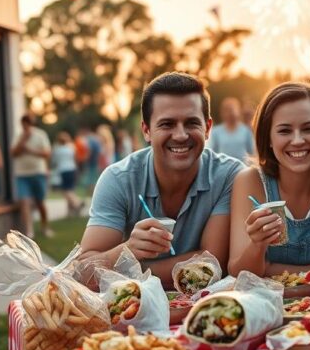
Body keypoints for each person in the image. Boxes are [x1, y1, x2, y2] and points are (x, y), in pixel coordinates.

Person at [79, 72, 244, 288]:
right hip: (134, 311)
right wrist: (127, 250)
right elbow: (82, 273)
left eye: (192, 123)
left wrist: (127, 271)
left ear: (208, 128)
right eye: (167, 124)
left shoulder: (229, 175)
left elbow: (212, 262)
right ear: (146, 130)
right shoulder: (118, 179)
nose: (180, 135)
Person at [228, 82, 310, 278]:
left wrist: (269, 269)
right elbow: (239, 271)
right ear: (268, 138)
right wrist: (257, 244)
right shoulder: (250, 181)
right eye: (285, 131)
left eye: (308, 128)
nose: (297, 140)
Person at [12, 114, 53, 238]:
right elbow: (13, 153)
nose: (25, 126)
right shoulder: (18, 136)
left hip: (38, 173)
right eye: (23, 124)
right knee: (24, 201)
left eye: (27, 123)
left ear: (31, 124)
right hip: (22, 174)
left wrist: (30, 150)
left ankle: (45, 227)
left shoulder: (41, 135)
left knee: (40, 202)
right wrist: (22, 141)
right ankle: (29, 231)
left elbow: (47, 153)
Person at [206, 97, 256, 163]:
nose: (231, 113)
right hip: (223, 169)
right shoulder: (216, 132)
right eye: (227, 110)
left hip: (243, 169)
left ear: (239, 110)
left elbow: (253, 152)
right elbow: (211, 153)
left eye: (233, 109)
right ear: (222, 113)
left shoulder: (246, 131)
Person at [52, 131, 82, 216]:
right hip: (72, 169)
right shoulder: (71, 148)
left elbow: (54, 162)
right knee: (71, 189)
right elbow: (75, 159)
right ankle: (70, 212)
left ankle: (77, 203)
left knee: (66, 190)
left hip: (63, 170)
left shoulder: (57, 150)